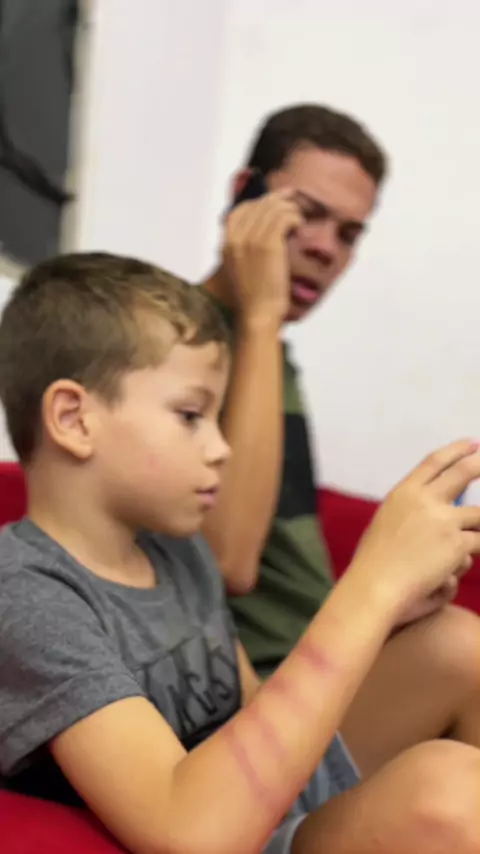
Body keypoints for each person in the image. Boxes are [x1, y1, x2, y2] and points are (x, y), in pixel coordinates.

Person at [0, 252, 480, 854]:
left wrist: (389, 609)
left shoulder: (178, 551)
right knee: (447, 792)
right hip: (216, 826)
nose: (221, 448)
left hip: (262, 798)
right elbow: (188, 831)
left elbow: (252, 705)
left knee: (457, 642)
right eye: (190, 415)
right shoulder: (26, 595)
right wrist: (370, 589)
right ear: (74, 419)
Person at [201, 104, 480, 775]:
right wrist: (261, 317)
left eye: (350, 233)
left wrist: (390, 602)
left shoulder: (275, 359)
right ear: (244, 194)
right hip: (255, 702)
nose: (326, 248)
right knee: (463, 648)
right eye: (306, 213)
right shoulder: (174, 337)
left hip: (316, 672)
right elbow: (227, 563)